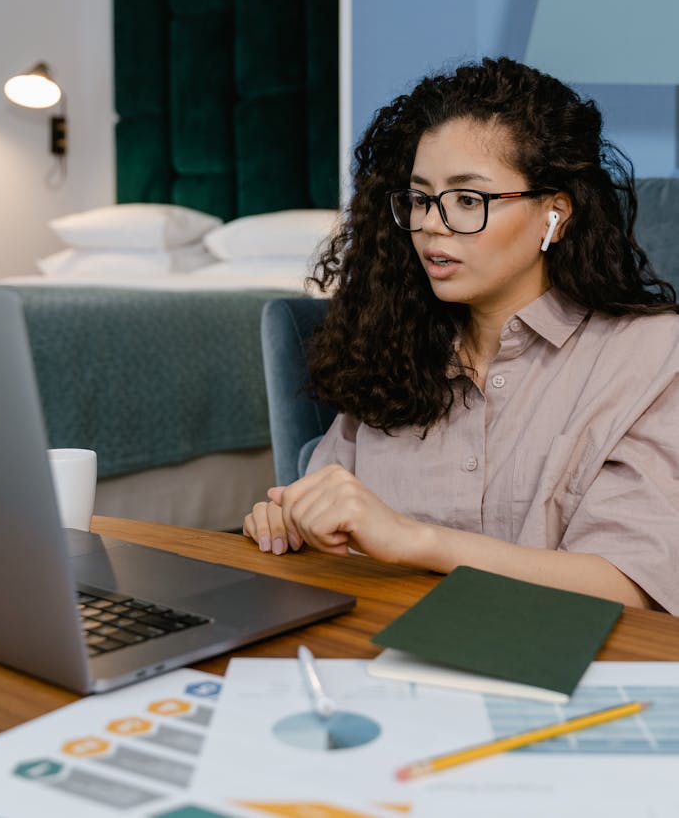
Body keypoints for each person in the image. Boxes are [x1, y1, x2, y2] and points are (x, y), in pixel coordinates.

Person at [243, 57, 679, 613]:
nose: (431, 223)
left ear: (555, 215)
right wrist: (291, 522)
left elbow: (630, 586)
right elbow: (333, 527)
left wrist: (415, 539)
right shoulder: (391, 346)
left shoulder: (648, 354)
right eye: (421, 198)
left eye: (468, 200)